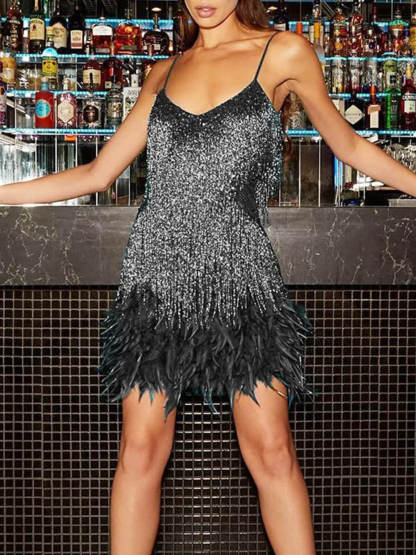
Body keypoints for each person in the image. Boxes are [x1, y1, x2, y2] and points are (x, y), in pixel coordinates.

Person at [2, 0, 416, 553]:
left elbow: (350, 145)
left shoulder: (283, 52)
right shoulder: (162, 72)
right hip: (156, 278)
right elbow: (98, 173)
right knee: (139, 452)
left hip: (241, 277)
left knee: (272, 451)